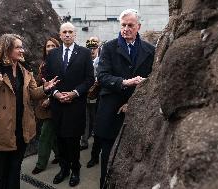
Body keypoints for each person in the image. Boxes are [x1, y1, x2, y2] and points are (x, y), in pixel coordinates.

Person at [0, 33, 59, 189]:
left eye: (22, 47)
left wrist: (45, 89)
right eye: (18, 47)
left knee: (14, 173)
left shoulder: (25, 70)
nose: (22, 51)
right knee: (0, 176)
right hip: (0, 133)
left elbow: (33, 93)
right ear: (7, 49)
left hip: (21, 132)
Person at [94, 9, 155, 188]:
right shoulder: (109, 47)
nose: (126, 29)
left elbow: (154, 78)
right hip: (111, 109)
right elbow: (102, 77)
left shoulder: (150, 50)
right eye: (123, 25)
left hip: (138, 111)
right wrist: (125, 82)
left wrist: (135, 100)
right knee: (108, 155)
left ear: (139, 27)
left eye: (130, 25)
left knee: (135, 155)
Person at [45, 22, 94, 187]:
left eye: (70, 32)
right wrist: (56, 93)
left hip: (75, 104)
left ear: (75, 35)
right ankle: (63, 169)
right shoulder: (52, 55)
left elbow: (89, 79)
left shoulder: (85, 53)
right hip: (57, 105)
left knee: (73, 141)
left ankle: (75, 170)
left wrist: (74, 93)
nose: (67, 34)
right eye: (64, 32)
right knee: (60, 139)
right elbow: (47, 79)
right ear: (60, 35)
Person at [32, 37, 60, 175]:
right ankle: (60, 155)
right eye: (47, 46)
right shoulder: (43, 64)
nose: (49, 48)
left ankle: (40, 164)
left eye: (53, 46)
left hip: (54, 103)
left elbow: (62, 82)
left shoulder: (61, 63)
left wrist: (50, 98)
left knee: (45, 134)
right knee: (51, 134)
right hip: (41, 102)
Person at [80, 37, 102, 169]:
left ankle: (94, 143)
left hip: (97, 95)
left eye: (94, 48)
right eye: (90, 48)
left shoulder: (102, 61)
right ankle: (84, 142)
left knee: (96, 120)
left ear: (98, 48)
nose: (92, 51)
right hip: (85, 95)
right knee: (85, 119)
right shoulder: (84, 61)